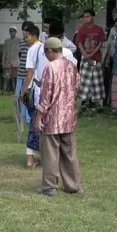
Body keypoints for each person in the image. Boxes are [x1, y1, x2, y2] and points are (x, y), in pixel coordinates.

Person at [21, 24, 77, 169]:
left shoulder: (36, 49)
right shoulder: (67, 53)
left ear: (48, 33)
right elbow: (76, 79)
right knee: (58, 129)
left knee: (37, 125)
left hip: (41, 90)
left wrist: (25, 90)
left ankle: (32, 158)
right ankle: (54, 160)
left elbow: (30, 72)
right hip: (61, 96)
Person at [34, 37, 83, 197]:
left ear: (50, 50)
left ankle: (49, 186)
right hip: (69, 117)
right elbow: (77, 88)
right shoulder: (72, 66)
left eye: (45, 53)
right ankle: (73, 185)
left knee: (50, 153)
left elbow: (46, 95)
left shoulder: (50, 68)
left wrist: (39, 117)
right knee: (69, 153)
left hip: (53, 118)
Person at [77, 9, 106, 111]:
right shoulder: (81, 30)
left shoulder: (99, 30)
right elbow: (80, 43)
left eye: (88, 16)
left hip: (96, 59)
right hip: (85, 59)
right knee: (85, 80)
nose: (86, 19)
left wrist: (92, 54)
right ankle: (85, 101)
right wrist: (85, 55)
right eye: (84, 17)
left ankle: (96, 101)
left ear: (93, 17)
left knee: (96, 80)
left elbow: (100, 43)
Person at [16, 21, 34, 125]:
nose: (24, 33)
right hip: (20, 73)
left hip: (29, 74)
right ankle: (20, 116)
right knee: (18, 96)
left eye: (27, 30)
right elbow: (20, 55)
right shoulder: (21, 42)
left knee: (27, 96)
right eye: (23, 30)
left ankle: (27, 117)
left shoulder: (33, 44)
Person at [2, 26, 20, 92]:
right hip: (8, 62)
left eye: (13, 31)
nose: (12, 33)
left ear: (15, 32)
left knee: (15, 77)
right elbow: (4, 53)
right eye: (10, 31)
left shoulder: (19, 40)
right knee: (6, 77)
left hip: (16, 62)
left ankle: (15, 90)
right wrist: (3, 62)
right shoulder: (7, 41)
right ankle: (4, 89)